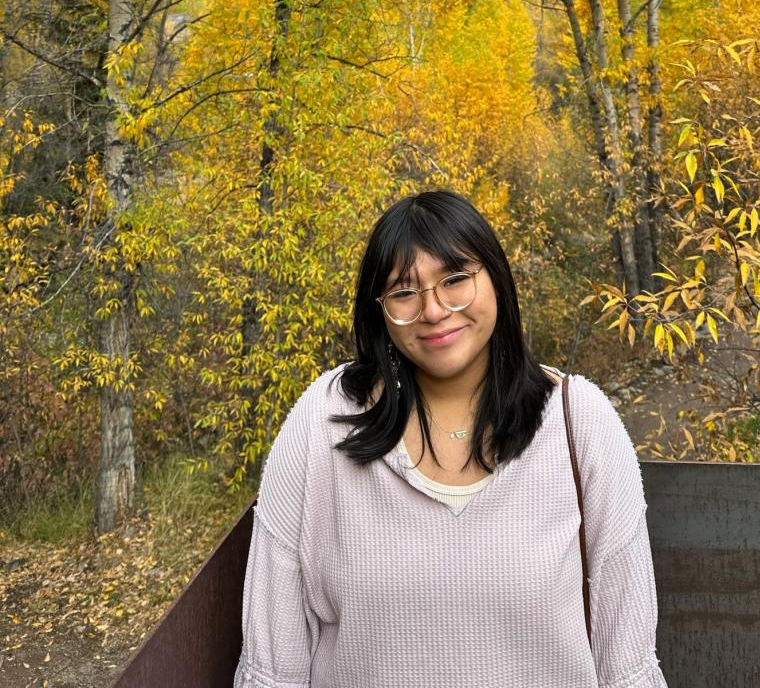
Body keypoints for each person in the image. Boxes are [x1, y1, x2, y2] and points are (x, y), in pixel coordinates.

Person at [233, 189, 668, 688]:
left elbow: (628, 667)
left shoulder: (578, 423)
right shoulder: (324, 420)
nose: (434, 310)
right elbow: (272, 666)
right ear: (379, 310)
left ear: (497, 281)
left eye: (456, 279)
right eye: (403, 293)